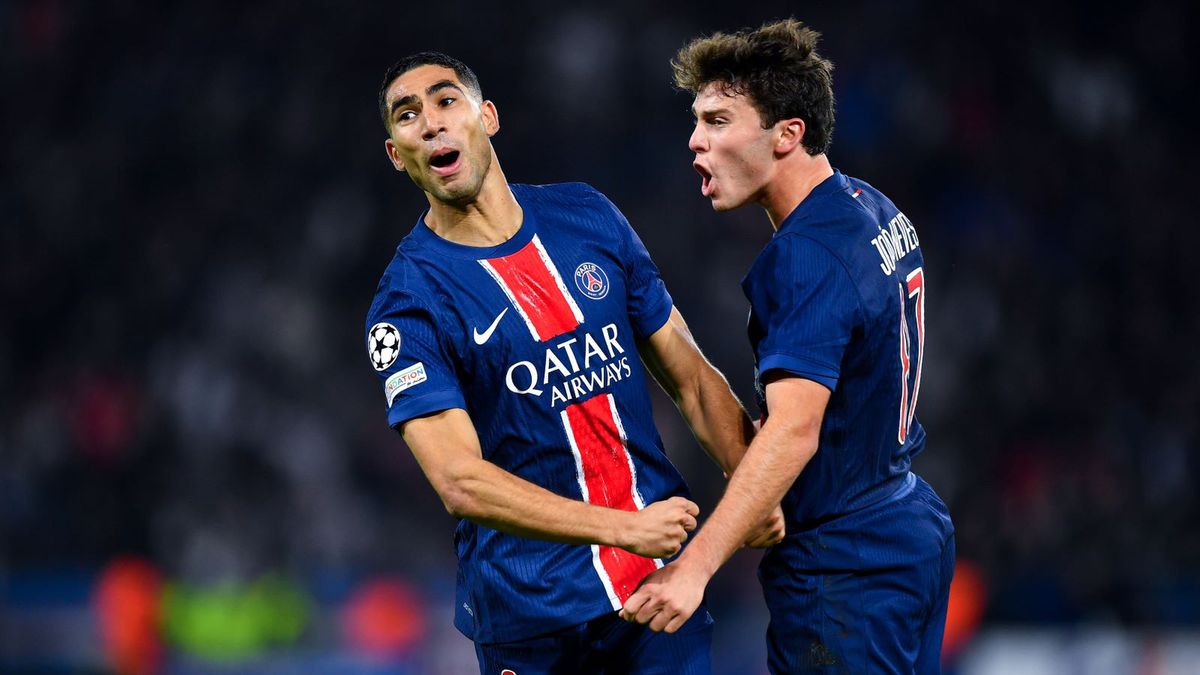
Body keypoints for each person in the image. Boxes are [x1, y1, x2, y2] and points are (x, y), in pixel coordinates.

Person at [364, 52, 783, 674]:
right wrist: (622, 528)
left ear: (488, 117)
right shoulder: (407, 302)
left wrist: (751, 482)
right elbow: (459, 480)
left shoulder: (585, 215)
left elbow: (690, 377)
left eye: (446, 101)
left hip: (657, 597)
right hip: (529, 619)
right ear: (398, 154)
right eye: (407, 115)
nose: (430, 123)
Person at [619, 19, 956, 674]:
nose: (695, 142)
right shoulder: (873, 207)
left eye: (717, 121)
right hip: (909, 522)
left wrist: (695, 566)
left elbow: (795, 431)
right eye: (696, 121)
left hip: (845, 561)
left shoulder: (803, 259)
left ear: (787, 134)